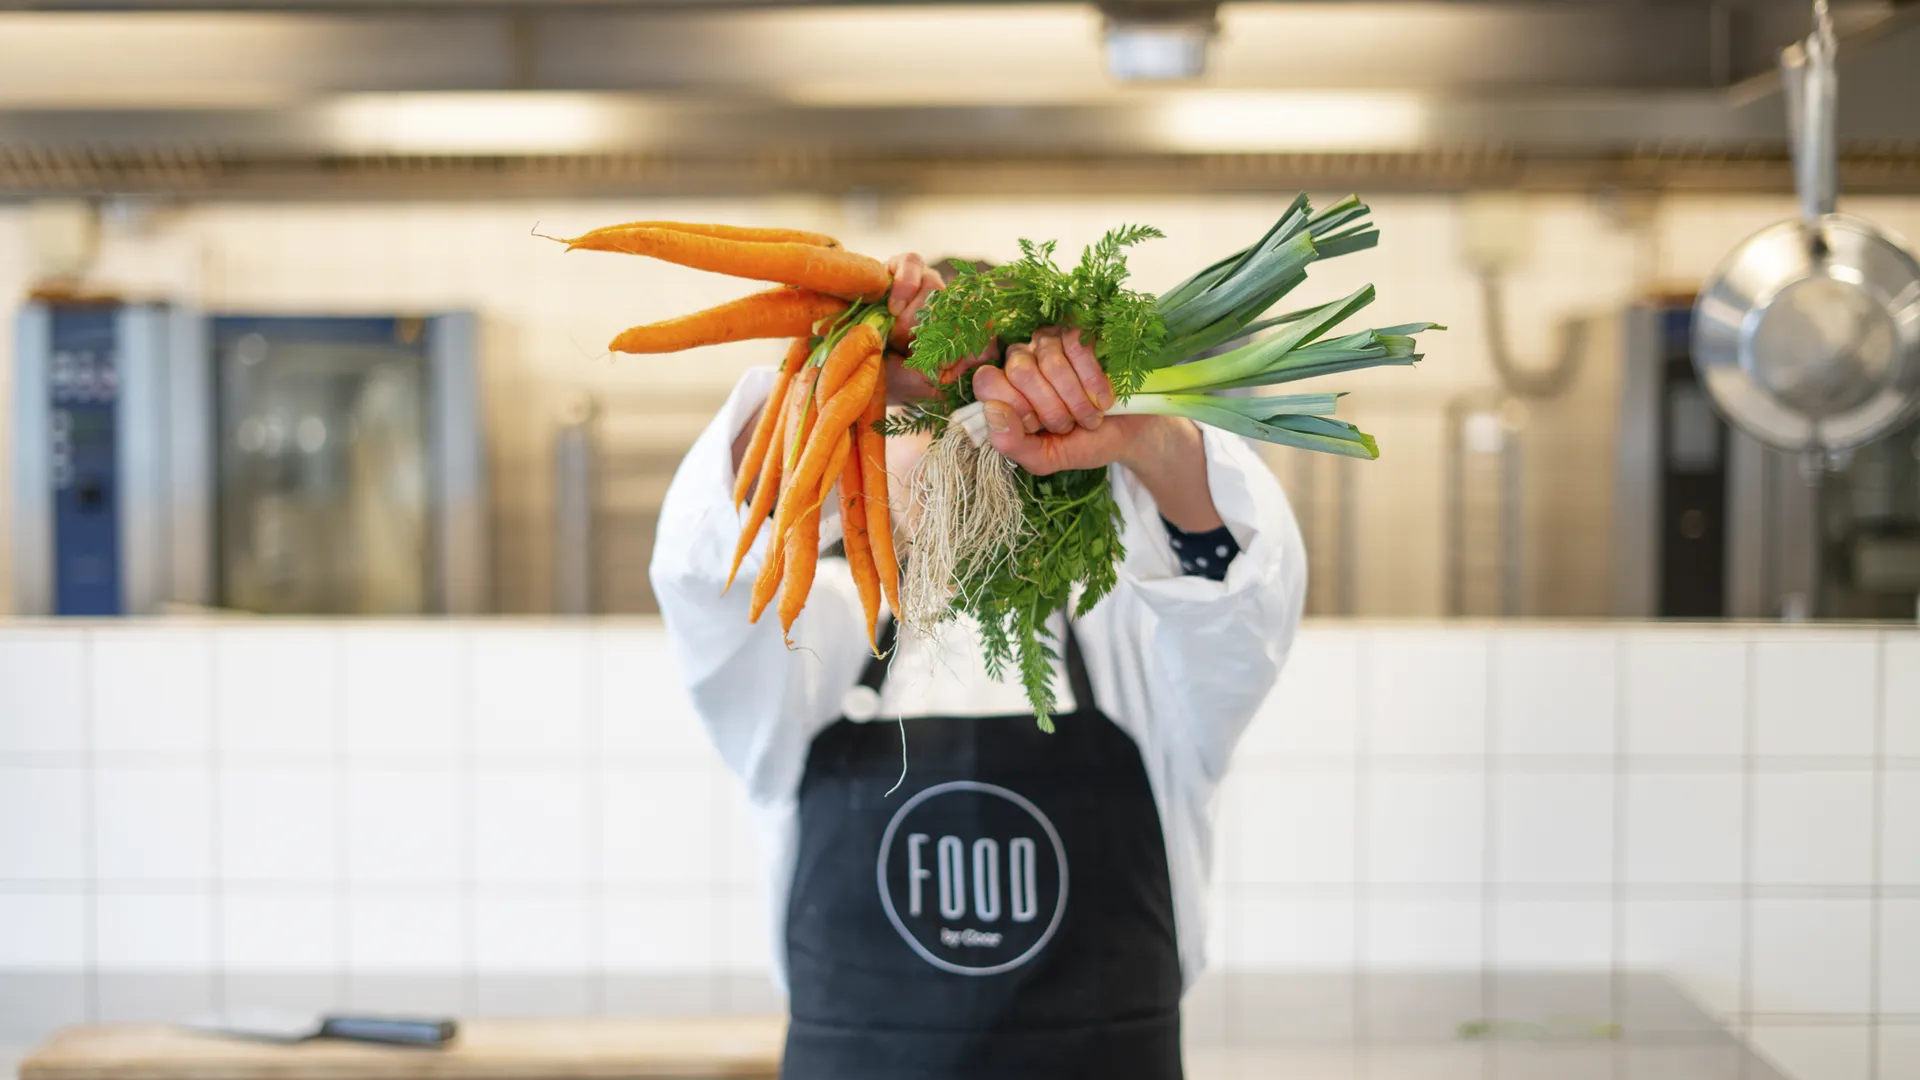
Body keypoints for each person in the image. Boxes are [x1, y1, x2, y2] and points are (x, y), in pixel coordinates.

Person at [650, 252, 1307, 1080]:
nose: (956, 451)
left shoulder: (1137, 629)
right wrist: (839, 382)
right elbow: (702, 567)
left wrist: (1144, 431)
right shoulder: (813, 636)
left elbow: (1240, 594)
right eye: (909, 425)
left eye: (981, 418)